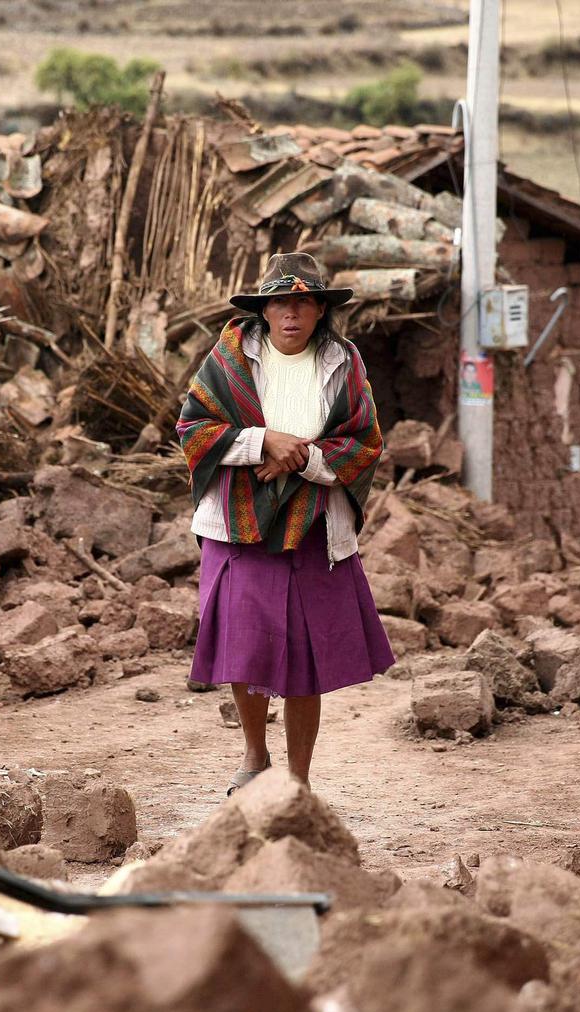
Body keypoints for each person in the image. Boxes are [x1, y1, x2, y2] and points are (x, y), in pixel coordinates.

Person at [177, 252, 393, 793]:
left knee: (305, 658)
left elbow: (365, 442)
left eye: (303, 303)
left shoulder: (344, 363)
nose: (290, 314)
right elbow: (194, 429)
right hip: (239, 524)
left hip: (314, 528)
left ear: (320, 309)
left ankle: (298, 782)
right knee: (245, 649)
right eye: (278, 304)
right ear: (263, 311)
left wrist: (300, 458)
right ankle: (255, 756)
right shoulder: (229, 358)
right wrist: (261, 443)